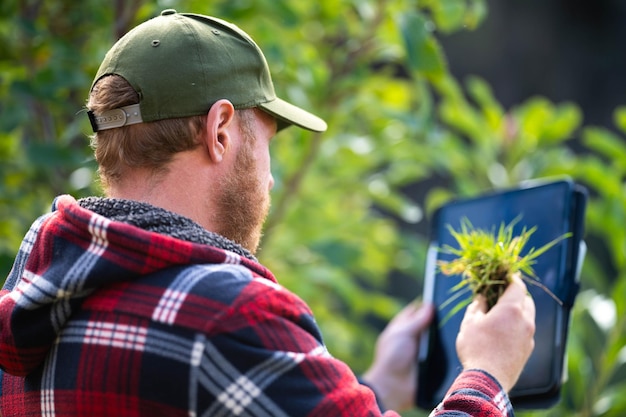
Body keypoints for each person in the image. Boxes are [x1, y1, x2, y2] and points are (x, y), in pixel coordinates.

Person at [0, 10, 535, 416]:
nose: (271, 177)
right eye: (266, 143)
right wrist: (488, 369)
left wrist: (372, 388)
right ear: (220, 131)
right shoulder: (227, 315)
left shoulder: (36, 285)